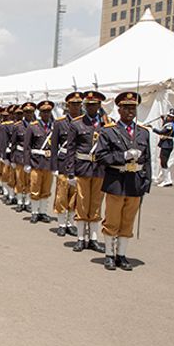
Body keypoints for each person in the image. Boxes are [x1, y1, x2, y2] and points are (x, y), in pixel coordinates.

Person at [95, 92, 152, 271]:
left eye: (133, 108)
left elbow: (148, 160)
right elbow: (101, 156)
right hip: (117, 181)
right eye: (126, 108)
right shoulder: (108, 131)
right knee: (112, 219)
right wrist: (123, 156)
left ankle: (121, 254)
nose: (130, 111)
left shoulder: (143, 133)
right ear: (119, 109)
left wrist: (147, 182)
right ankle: (109, 255)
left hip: (135, 182)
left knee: (128, 220)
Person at [65, 91, 110, 254]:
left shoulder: (106, 124)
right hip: (82, 168)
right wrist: (70, 172)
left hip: (99, 169)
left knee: (96, 204)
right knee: (82, 203)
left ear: (99, 106)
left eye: (94, 105)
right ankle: (80, 239)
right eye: (88, 105)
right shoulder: (77, 124)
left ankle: (93, 238)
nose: (91, 108)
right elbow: (71, 149)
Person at [50, 92, 83, 236]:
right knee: (62, 195)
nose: (76, 107)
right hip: (63, 163)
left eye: (78, 104)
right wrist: (54, 166)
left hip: (79, 164)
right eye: (73, 104)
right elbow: (54, 146)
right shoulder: (59, 122)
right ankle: (62, 223)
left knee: (75, 196)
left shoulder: (84, 122)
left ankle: (71, 223)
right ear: (67, 106)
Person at [23, 100, 55, 224]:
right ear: (39, 113)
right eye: (43, 112)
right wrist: (26, 163)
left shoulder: (54, 126)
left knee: (46, 189)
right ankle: (35, 212)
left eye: (48, 111)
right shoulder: (33, 126)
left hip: (48, 163)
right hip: (36, 162)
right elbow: (27, 146)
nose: (46, 114)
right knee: (35, 188)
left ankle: (43, 212)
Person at [10, 102, 36, 213]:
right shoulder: (17, 126)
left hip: (32, 157)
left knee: (31, 181)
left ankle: (28, 202)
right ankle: (20, 202)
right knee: (20, 179)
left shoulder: (36, 125)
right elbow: (13, 142)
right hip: (20, 155)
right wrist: (12, 158)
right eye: (26, 112)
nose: (28, 114)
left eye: (30, 112)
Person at [153, 109, 174, 187]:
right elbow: (165, 125)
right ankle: (167, 179)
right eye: (168, 116)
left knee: (164, 162)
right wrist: (163, 119)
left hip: (167, 144)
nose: (168, 117)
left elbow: (162, 132)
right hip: (166, 143)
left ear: (173, 118)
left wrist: (152, 128)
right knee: (163, 162)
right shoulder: (169, 124)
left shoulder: (170, 125)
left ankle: (167, 180)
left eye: (170, 116)